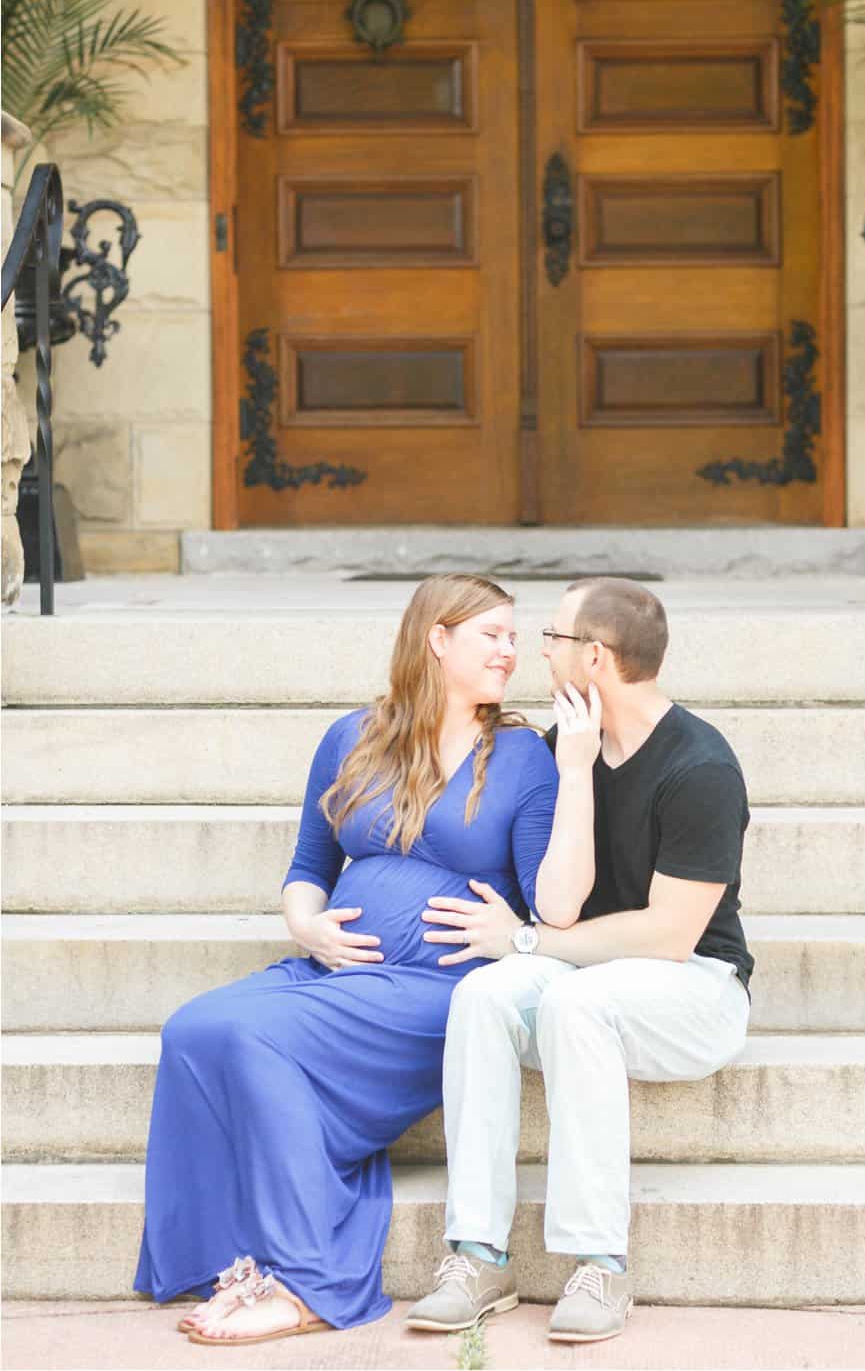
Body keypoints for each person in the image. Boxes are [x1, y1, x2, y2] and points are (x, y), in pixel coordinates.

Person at [133, 574, 558, 1347]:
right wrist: (310, 929)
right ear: (438, 638)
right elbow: (307, 866)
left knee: (255, 1042)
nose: (511, 650)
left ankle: (306, 1285)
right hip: (333, 975)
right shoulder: (352, 737)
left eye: (514, 636)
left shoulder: (524, 758)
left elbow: (551, 901)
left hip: (438, 992)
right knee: (195, 1029)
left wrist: (514, 935)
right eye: (492, 634)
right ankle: (227, 1262)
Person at [407, 577, 753, 1345]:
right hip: (590, 973)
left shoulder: (701, 768)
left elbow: (671, 936)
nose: (540, 649)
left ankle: (601, 1261)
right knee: (485, 995)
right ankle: (478, 1254)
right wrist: (572, 768)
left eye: (554, 639)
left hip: (696, 992)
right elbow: (559, 905)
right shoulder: (565, 747)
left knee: (568, 999)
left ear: (593, 657)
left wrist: (529, 942)